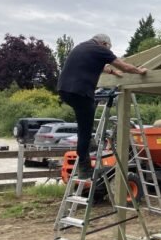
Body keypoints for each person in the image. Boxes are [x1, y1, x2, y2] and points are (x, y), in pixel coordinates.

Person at [58, 33, 148, 178]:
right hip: (80, 91)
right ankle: (85, 167)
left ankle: (90, 143)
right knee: (84, 128)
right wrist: (139, 70)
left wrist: (112, 72)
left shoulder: (82, 47)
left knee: (86, 118)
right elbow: (123, 66)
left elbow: (98, 66)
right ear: (105, 44)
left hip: (65, 90)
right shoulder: (101, 50)